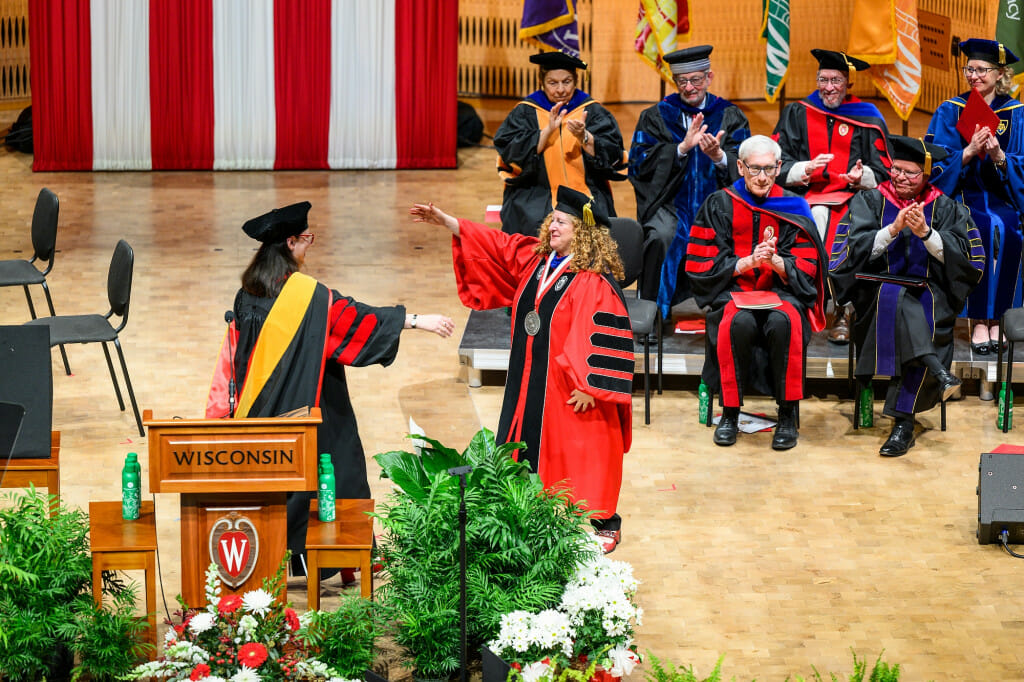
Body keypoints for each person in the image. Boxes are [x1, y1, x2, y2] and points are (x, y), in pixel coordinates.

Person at [206, 201, 455, 581]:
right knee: (343, 468)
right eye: (307, 239)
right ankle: (342, 555)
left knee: (282, 487)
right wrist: (417, 320)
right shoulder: (308, 296)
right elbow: (354, 319)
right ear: (290, 242)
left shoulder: (247, 294)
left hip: (258, 411)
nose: (309, 245)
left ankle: (273, 560)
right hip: (311, 405)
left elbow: (233, 354)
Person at [410, 186, 633, 553]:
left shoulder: (593, 280)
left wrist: (590, 387)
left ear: (582, 231)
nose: (553, 227)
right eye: (552, 220)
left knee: (580, 451)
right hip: (528, 375)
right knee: (527, 446)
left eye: (561, 222)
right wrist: (449, 222)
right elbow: (497, 244)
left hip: (567, 386)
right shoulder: (537, 260)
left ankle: (605, 521)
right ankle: (526, 510)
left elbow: (603, 335)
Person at [829, 136, 984, 456]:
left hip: (930, 294)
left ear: (926, 175)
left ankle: (904, 419)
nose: (899, 177)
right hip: (873, 293)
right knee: (893, 292)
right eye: (896, 169)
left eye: (910, 173)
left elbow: (969, 261)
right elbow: (847, 254)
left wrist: (927, 234)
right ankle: (910, 412)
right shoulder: (870, 201)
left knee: (904, 300)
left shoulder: (946, 207)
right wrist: (892, 231)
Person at [685, 135, 827, 450]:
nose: (761, 177)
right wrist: (746, 263)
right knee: (738, 323)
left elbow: (808, 266)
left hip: (782, 293)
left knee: (784, 322)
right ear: (740, 167)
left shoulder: (795, 206)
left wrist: (778, 263)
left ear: (778, 168)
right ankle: (730, 414)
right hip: (733, 291)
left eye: (767, 169)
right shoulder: (719, 203)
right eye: (753, 169)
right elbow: (701, 262)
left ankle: (787, 414)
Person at [773, 49, 892, 343]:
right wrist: (804, 168)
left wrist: (862, 177)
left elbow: (885, 170)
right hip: (805, 194)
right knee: (802, 230)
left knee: (850, 233)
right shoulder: (798, 112)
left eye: (836, 80)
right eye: (823, 79)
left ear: (848, 84)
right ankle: (799, 306)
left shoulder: (868, 118)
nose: (828, 87)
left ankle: (844, 309)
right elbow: (777, 160)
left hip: (852, 197)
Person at [628, 45, 751, 317]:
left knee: (733, 234)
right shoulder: (657, 116)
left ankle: (732, 314)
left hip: (718, 204)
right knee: (661, 235)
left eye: (696, 79)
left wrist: (719, 157)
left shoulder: (729, 116)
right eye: (682, 81)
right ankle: (653, 315)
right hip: (670, 204)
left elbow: (748, 165)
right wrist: (680, 149)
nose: (690, 87)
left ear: (709, 77)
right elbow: (637, 164)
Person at [926, 38, 1024, 363]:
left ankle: (1000, 319)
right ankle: (979, 321)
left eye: (982, 70)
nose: (974, 76)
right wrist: (966, 153)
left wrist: (999, 156)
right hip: (962, 196)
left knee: (1008, 229)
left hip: (1003, 197)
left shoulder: (1018, 114)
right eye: (970, 69)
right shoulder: (949, 110)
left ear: (999, 74)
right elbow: (934, 163)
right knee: (980, 227)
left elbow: (1021, 164)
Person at [494, 51, 626, 236]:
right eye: (552, 83)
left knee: (595, 228)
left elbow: (613, 153)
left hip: (585, 193)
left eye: (567, 81)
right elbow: (510, 154)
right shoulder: (525, 112)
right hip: (537, 193)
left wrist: (585, 138)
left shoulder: (592, 111)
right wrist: (545, 133)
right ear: (542, 82)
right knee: (531, 225)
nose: (561, 90)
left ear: (576, 80)